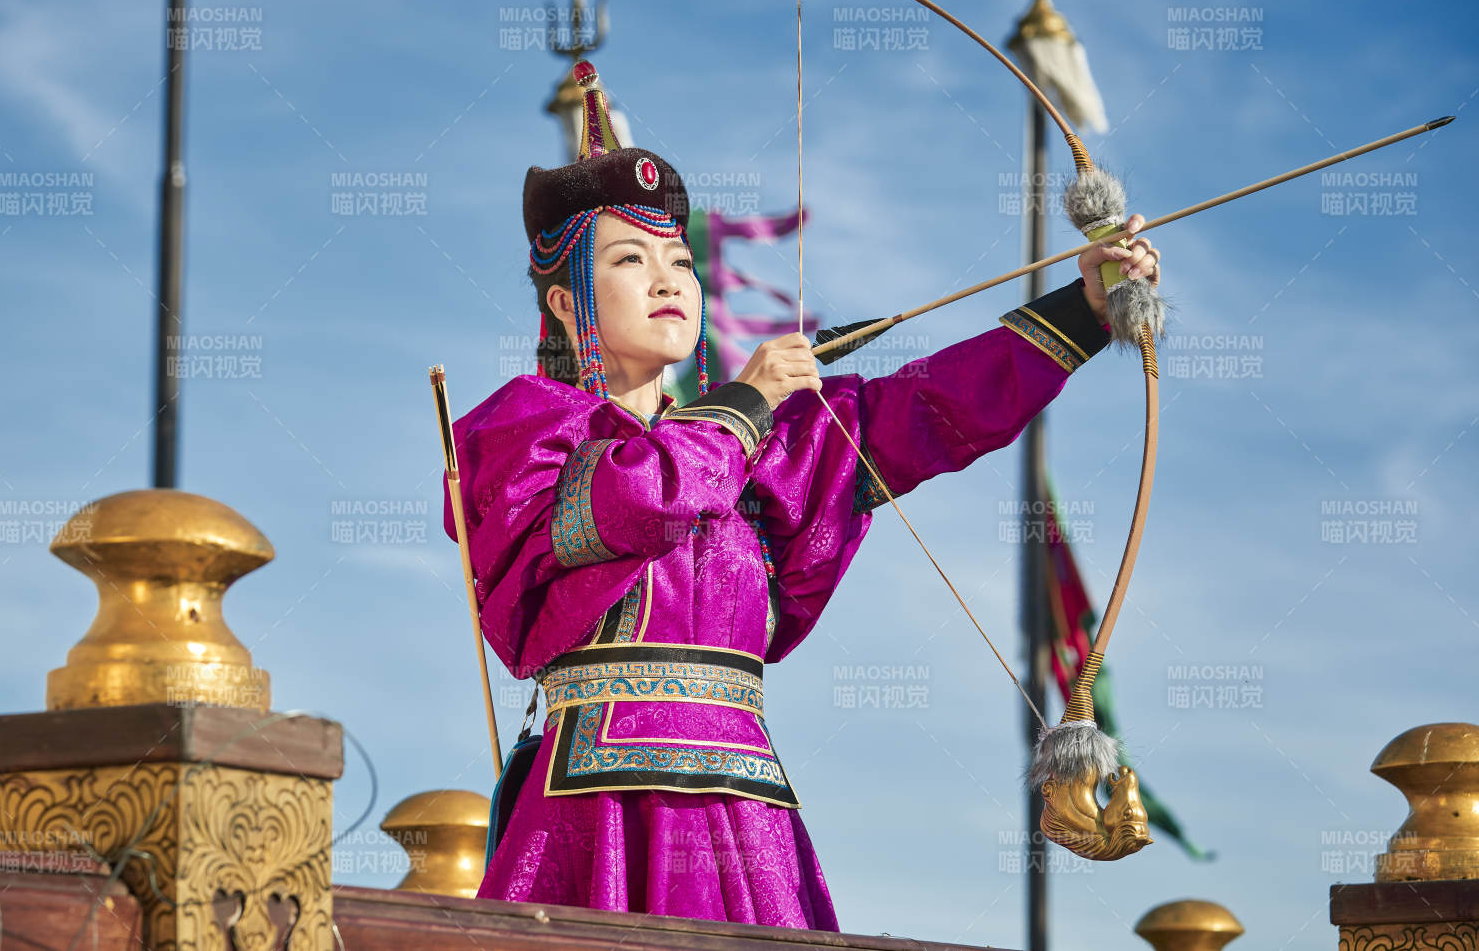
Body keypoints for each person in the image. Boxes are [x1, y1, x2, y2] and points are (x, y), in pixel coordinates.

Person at [442, 60, 1161, 930]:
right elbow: (634, 504)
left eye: (679, 258)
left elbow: (928, 411)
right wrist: (745, 403)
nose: (671, 279)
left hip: (749, 813)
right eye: (631, 259)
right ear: (564, 301)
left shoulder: (764, 443)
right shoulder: (526, 429)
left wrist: (1086, 307)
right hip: (593, 808)